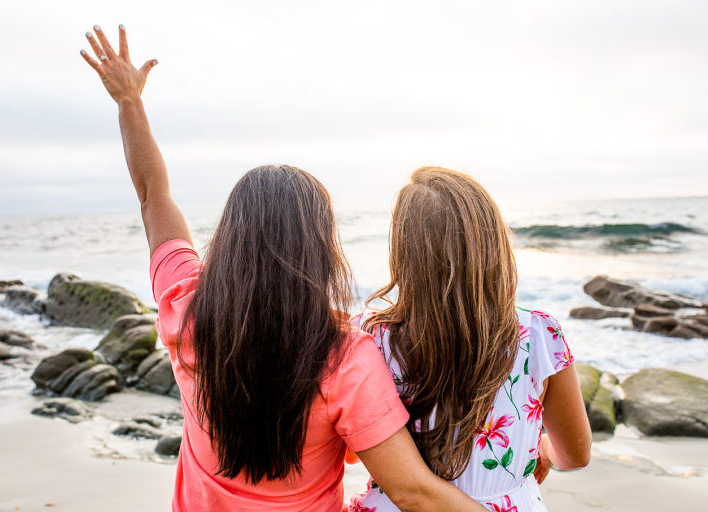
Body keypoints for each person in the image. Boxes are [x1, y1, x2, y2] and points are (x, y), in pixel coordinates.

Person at [80, 26, 486, 512]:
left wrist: (129, 101)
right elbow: (412, 491)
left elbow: (152, 195)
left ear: (229, 238)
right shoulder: (344, 357)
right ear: (321, 248)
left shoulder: (185, 306)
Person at [347, 167, 591, 512]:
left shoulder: (367, 338)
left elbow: (356, 453)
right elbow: (576, 454)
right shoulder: (539, 333)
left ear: (403, 252)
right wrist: (543, 449)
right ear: (493, 242)